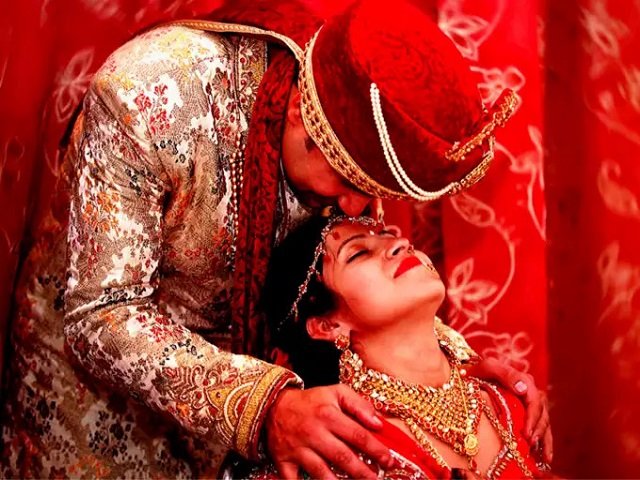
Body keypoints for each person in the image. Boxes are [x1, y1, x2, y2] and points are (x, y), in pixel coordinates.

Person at [0, 0, 550, 478]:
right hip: (96, 402)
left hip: (275, 396)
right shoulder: (147, 98)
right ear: (297, 115)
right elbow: (102, 313)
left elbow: (369, 279)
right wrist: (266, 408)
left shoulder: (353, 111)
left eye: (372, 192)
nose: (356, 210)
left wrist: (450, 376)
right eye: (350, 182)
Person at [259, 214, 552, 479]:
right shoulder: (337, 444)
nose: (401, 243)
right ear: (327, 325)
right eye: (358, 253)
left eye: (389, 235)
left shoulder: (509, 406)